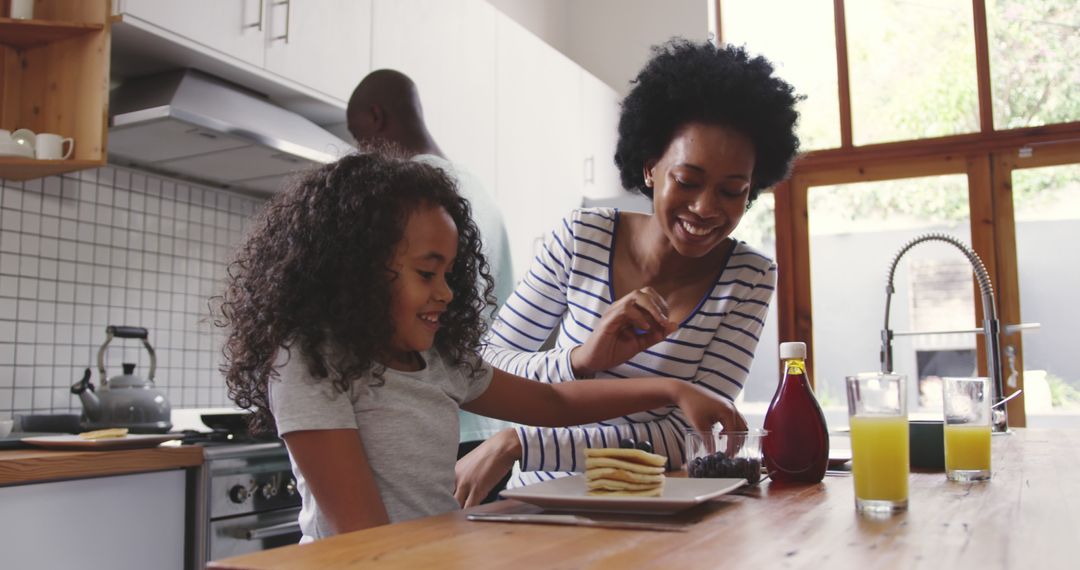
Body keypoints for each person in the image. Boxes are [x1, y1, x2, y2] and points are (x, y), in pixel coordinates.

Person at [216, 151, 745, 541]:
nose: (445, 293)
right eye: (428, 272)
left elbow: (554, 403)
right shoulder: (311, 363)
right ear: (355, 270)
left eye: (449, 273)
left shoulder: (439, 363)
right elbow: (365, 537)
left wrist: (674, 390)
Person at [455, 39, 800, 500]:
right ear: (650, 167)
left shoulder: (748, 278)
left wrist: (526, 443)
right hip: (544, 502)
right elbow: (486, 367)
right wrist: (581, 360)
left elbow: (690, 435)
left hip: (662, 507)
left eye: (732, 190)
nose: (705, 208)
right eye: (687, 181)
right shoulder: (583, 239)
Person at [347, 69, 515, 500]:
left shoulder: (407, 202)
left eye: (358, 136)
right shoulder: (478, 189)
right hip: (487, 424)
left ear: (376, 118)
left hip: (435, 424)